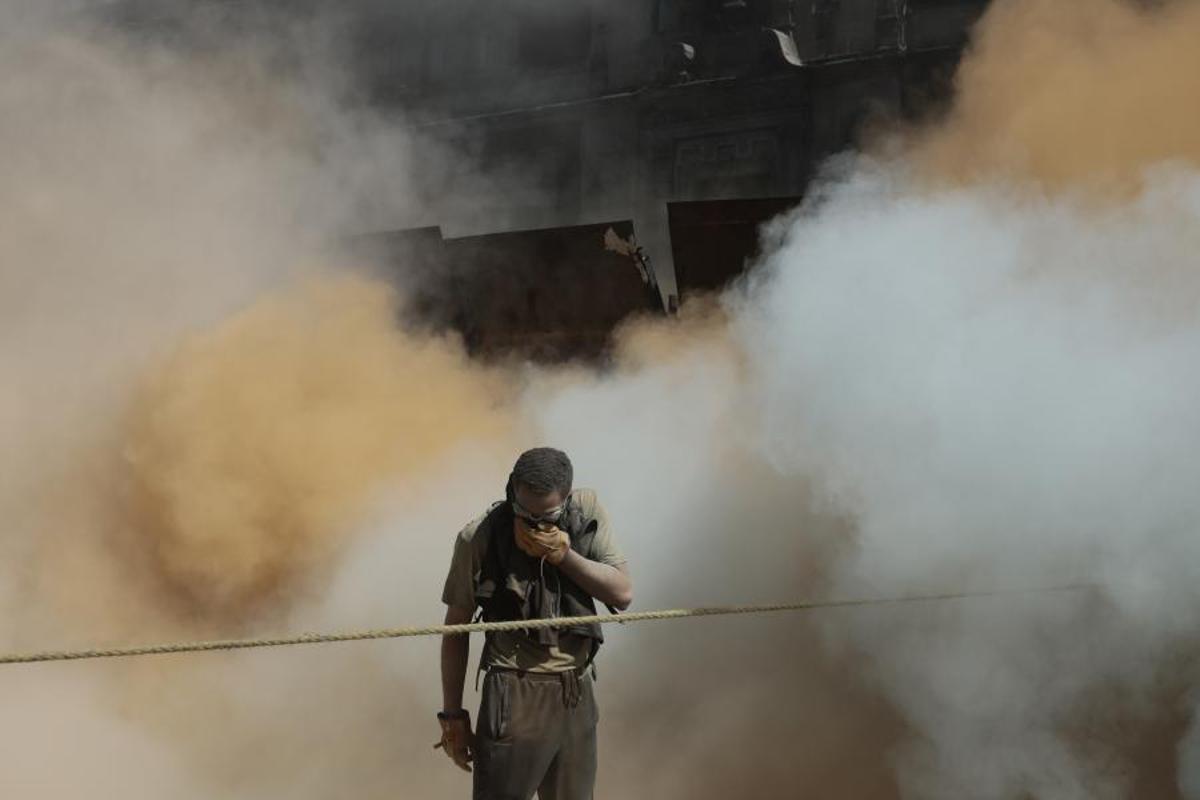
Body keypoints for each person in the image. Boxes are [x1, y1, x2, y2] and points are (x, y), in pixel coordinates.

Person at [437, 447, 633, 800]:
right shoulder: (480, 535)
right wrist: (452, 716)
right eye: (524, 511)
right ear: (513, 489)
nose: (534, 522)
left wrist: (564, 556)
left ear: (566, 496)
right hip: (514, 693)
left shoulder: (585, 511)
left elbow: (621, 593)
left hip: (575, 688)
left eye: (547, 515)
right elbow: (455, 630)